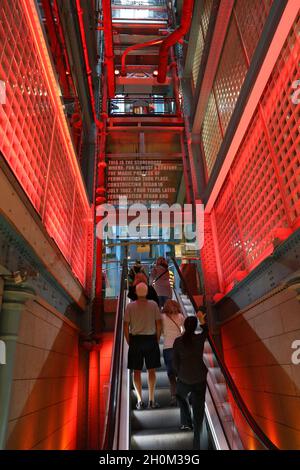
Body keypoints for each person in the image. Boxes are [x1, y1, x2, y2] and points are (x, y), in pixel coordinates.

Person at [124, 282, 162, 410]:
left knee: (136, 371)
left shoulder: (130, 306)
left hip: (135, 340)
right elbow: (158, 324)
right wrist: (157, 338)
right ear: (146, 292)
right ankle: (152, 400)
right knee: (152, 370)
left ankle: (140, 400)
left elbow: (125, 326)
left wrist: (129, 341)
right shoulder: (153, 305)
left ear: (135, 292)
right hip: (151, 339)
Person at [173, 311, 208, 450]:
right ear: (194, 327)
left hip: (184, 378)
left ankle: (186, 421)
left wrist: (179, 374)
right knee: (199, 411)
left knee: (180, 396)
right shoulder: (199, 339)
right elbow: (207, 329)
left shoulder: (178, 341)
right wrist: (201, 319)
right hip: (199, 378)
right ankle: (197, 445)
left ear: (184, 326)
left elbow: (175, 362)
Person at [161, 300, 185, 406]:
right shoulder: (180, 316)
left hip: (168, 347)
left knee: (171, 375)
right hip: (179, 347)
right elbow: (185, 330)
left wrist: (165, 335)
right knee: (180, 373)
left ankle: (173, 397)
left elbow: (160, 331)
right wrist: (179, 334)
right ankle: (183, 396)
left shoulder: (162, 317)